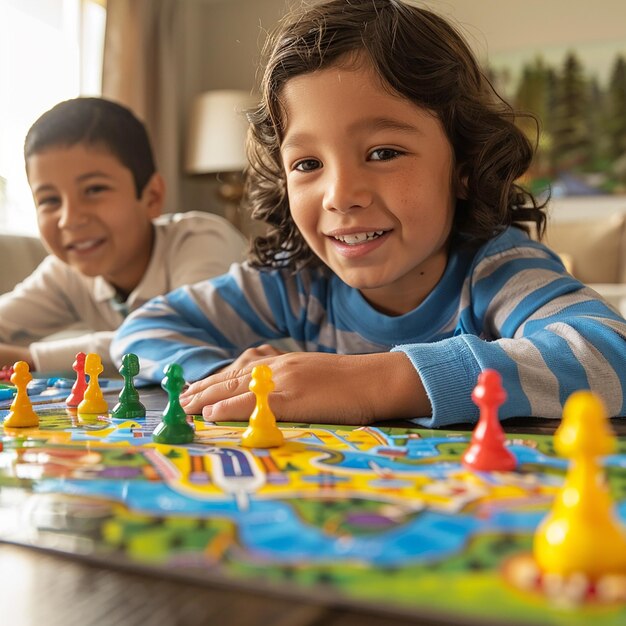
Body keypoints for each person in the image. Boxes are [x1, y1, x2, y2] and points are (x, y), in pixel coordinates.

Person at [111, 0, 626, 427]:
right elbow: (143, 328)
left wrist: (378, 382)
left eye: (383, 153)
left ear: (465, 165)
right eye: (308, 163)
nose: (340, 195)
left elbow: (610, 354)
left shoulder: (497, 271)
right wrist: (233, 380)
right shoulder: (295, 283)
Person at [0, 97, 247, 374]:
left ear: (152, 197)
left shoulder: (202, 240)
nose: (69, 219)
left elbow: (176, 337)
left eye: (94, 190)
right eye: (49, 200)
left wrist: (31, 357)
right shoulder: (66, 273)